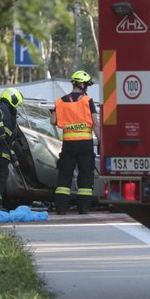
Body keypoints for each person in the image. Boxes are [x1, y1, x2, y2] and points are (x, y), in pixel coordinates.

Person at [50, 70, 100, 215]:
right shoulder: (87, 101)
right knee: (85, 175)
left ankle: (61, 209)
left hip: (68, 144)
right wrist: (101, 139)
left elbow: (52, 121)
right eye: (87, 84)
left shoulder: (59, 102)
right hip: (85, 143)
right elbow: (95, 122)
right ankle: (83, 209)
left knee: (65, 175)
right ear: (82, 84)